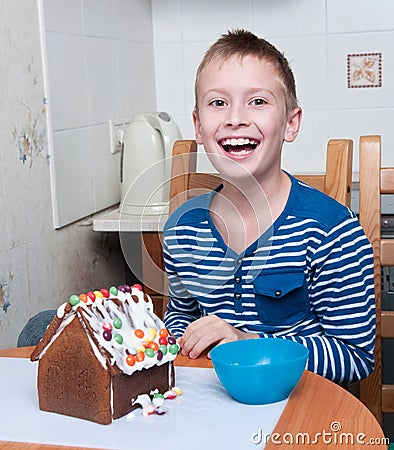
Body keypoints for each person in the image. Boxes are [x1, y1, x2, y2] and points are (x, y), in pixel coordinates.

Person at [163, 29, 375, 384]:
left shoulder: (331, 231)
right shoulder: (183, 230)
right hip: (211, 409)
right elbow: (180, 318)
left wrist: (249, 345)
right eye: (218, 103)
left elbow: (354, 357)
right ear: (198, 126)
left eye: (257, 102)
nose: (235, 118)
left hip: (297, 412)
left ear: (290, 124)